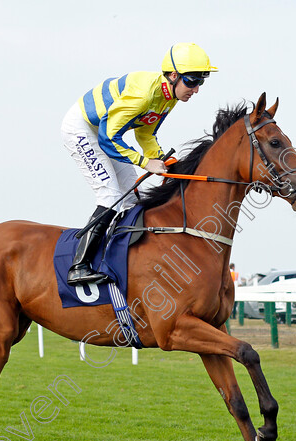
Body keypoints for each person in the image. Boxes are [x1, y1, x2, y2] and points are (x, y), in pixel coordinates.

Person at [61, 42, 217, 285]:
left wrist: (164, 159)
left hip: (106, 132)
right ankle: (78, 266)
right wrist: (146, 163)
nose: (196, 89)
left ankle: (118, 260)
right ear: (173, 76)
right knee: (110, 194)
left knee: (132, 197)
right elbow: (108, 137)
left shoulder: (169, 97)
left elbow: (145, 134)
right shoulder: (143, 94)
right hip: (83, 129)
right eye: (192, 81)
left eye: (201, 82)